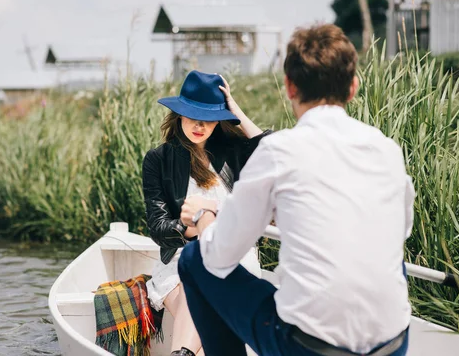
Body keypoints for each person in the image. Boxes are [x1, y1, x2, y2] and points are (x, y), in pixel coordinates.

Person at [177, 24, 415, 356]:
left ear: (289, 87)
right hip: (393, 346)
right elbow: (400, 231)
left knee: (194, 259)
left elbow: (218, 256)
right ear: (353, 88)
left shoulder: (278, 152)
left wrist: (205, 214)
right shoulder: (388, 149)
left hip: (309, 349)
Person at [142, 70, 271, 356]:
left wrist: (235, 109)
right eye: (192, 115)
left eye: (209, 117)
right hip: (178, 263)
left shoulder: (235, 150)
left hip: (236, 258)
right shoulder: (158, 160)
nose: (200, 125)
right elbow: (158, 227)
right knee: (197, 276)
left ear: (220, 120)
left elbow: (272, 152)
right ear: (178, 115)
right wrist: (189, 225)